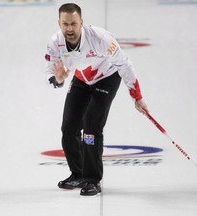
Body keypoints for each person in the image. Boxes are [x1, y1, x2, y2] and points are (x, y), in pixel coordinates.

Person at [44, 3, 148, 196]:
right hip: (82, 79)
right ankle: (78, 173)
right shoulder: (54, 43)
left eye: (73, 24)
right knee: (69, 127)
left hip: (107, 78)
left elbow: (124, 64)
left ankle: (92, 179)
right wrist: (58, 80)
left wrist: (137, 96)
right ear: (59, 23)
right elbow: (49, 76)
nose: (69, 28)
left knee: (91, 126)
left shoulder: (100, 38)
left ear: (81, 22)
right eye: (65, 24)